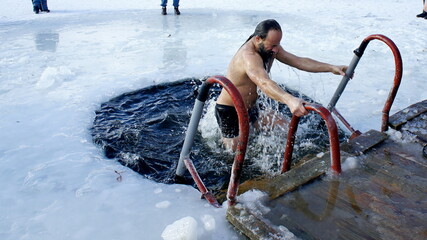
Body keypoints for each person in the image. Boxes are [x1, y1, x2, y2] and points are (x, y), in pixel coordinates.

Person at [215, 19, 348, 151]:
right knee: (235, 152)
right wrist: (290, 100)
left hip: (251, 107)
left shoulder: (270, 47)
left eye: (278, 44)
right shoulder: (248, 57)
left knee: (286, 129)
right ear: (257, 39)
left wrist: (331, 68)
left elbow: (298, 61)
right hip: (229, 111)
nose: (276, 50)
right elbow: (264, 82)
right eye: (272, 45)